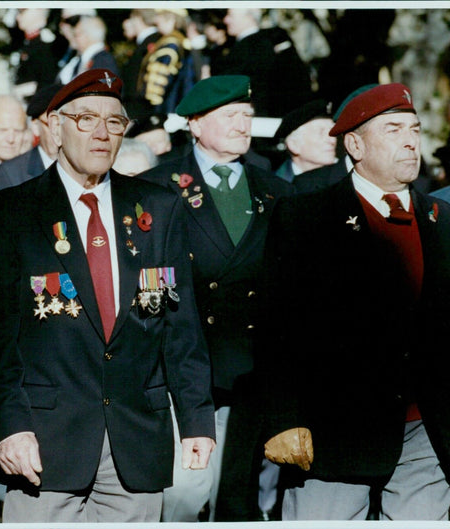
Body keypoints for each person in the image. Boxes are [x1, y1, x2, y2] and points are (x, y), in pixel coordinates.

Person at [0, 68, 215, 523]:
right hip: (44, 443)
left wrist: (196, 420)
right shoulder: (13, 211)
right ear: (54, 127)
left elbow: (180, 327)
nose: (102, 134)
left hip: (138, 440)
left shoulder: (158, 208)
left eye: (115, 122)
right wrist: (10, 427)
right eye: (86, 119)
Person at [261, 83, 450, 520]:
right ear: (354, 144)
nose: (410, 140)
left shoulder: (444, 220)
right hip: (334, 431)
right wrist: (284, 418)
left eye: (415, 129)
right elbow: (277, 327)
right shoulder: (305, 217)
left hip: (427, 431)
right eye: (392, 129)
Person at [138, 74, 292, 522]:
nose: (244, 124)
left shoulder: (276, 191)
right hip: (180, 366)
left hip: (250, 369)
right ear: (196, 124)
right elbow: (149, 282)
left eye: (247, 115)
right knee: (183, 496)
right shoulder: (157, 187)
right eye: (231, 116)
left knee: (237, 497)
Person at [217, 8, 311, 117]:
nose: (226, 20)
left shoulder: (250, 47)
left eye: (231, 15)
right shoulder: (273, 39)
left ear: (249, 17)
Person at [0, 83, 61, 192]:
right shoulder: (10, 174)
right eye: (52, 125)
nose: (60, 132)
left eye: (66, 125)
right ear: (35, 127)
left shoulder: (88, 166)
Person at [273, 99, 337, 184]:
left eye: (332, 132)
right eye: (321, 132)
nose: (332, 140)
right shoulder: (275, 186)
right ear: (294, 145)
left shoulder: (346, 179)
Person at [56, 16, 119, 84]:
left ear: (87, 36)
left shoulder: (104, 61)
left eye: (76, 34)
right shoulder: (80, 60)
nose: (74, 38)